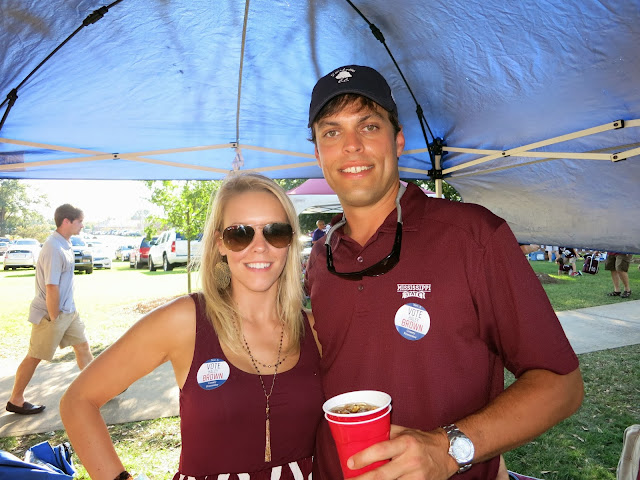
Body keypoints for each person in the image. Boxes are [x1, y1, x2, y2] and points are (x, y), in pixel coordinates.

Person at [305, 65, 584, 480]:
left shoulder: (474, 236)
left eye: (368, 126)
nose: (351, 146)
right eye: (331, 132)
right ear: (317, 154)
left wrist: (448, 449)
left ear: (398, 140)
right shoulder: (321, 255)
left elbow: (562, 385)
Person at [60, 173, 324, 480]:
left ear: (290, 240)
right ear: (220, 243)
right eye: (240, 234)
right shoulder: (185, 320)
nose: (259, 247)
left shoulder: (315, 329)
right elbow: (78, 401)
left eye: (275, 231)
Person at [6, 204, 93, 415]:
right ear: (66, 221)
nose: (82, 225)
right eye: (79, 221)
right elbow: (51, 286)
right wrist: (54, 317)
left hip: (69, 311)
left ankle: (97, 388)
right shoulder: (53, 248)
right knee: (35, 356)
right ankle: (15, 400)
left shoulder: (65, 243)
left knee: (82, 347)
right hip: (52, 313)